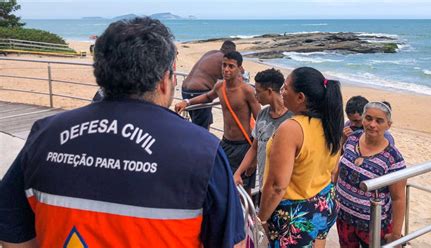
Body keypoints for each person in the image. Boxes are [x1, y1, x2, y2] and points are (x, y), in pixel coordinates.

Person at [0, 17, 245, 248]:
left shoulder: (44, 135)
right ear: (164, 79)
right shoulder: (203, 152)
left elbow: (11, 229)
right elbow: (232, 242)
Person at [257, 67, 343, 248]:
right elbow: (333, 169)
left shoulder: (292, 128)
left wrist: (262, 217)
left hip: (296, 214)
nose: (282, 91)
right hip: (323, 201)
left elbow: (277, 186)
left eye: (286, 88)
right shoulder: (331, 124)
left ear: (300, 97)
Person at [175, 51, 261, 194]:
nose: (226, 69)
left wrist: (254, 159)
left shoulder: (247, 91)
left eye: (231, 66)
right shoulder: (220, 86)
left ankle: (245, 216)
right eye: (224, 65)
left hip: (244, 146)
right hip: (226, 143)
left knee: (244, 190)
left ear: (240, 68)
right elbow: (208, 97)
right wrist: (187, 101)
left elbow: (260, 123)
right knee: (222, 183)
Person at [335, 101, 406, 248]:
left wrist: (396, 234)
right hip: (343, 218)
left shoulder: (393, 159)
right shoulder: (352, 139)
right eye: (368, 118)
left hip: (374, 227)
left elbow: (398, 199)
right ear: (363, 120)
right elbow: (338, 169)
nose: (372, 124)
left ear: (388, 125)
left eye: (379, 121)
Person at [233, 68, 292, 201]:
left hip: (285, 191)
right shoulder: (262, 114)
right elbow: (254, 147)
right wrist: (237, 173)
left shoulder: (292, 118)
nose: (255, 96)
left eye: (258, 92)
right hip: (264, 185)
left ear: (269, 91)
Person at [181, 40, 236, 129]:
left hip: (185, 89)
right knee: (201, 128)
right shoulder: (224, 59)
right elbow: (236, 75)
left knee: (203, 122)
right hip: (199, 91)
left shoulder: (211, 53)